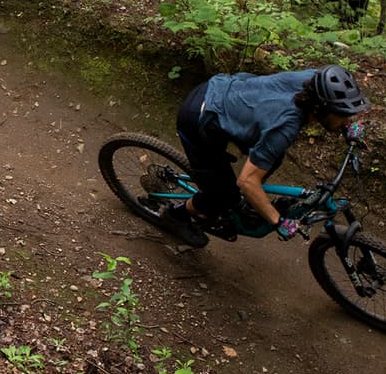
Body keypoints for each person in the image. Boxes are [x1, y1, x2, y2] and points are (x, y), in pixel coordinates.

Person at [156, 64, 371, 248]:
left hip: (225, 95)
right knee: (223, 196)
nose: (347, 118)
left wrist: (346, 126)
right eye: (342, 114)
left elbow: (335, 102)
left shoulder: (316, 82)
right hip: (198, 117)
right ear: (319, 108)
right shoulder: (285, 126)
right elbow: (247, 181)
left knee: (271, 157)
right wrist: (278, 221)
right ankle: (176, 216)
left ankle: (246, 201)